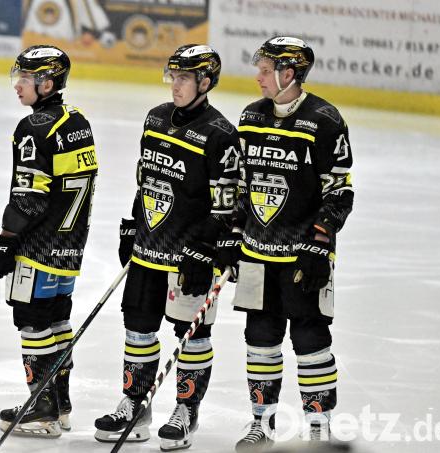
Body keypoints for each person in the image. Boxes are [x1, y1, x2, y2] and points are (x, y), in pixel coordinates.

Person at [93, 44, 240, 451]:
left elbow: (227, 205)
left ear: (205, 82)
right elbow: (147, 181)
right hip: (149, 247)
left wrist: (205, 248)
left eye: (184, 78)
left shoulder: (221, 134)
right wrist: (132, 224)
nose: (175, 85)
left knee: (192, 334)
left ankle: (186, 410)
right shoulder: (155, 118)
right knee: (138, 327)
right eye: (173, 76)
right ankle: (135, 405)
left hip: (189, 256)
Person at [222, 37, 355, 451]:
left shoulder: (324, 120)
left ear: (289, 73)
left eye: (266, 70)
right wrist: (233, 236)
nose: (258, 77)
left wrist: (319, 244)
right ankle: (261, 423)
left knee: (310, 340)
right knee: (260, 338)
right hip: (256, 254)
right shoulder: (251, 116)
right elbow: (241, 186)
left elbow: (339, 192)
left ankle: (319, 427)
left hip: (303, 256)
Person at [0, 44, 97, 438]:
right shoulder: (77, 121)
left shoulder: (33, 128)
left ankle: (41, 407)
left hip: (39, 246)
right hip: (70, 246)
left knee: (31, 321)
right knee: (57, 320)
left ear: (47, 83)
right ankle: (60, 402)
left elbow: (29, 196)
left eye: (25, 79)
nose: (17, 85)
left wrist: (5, 239)